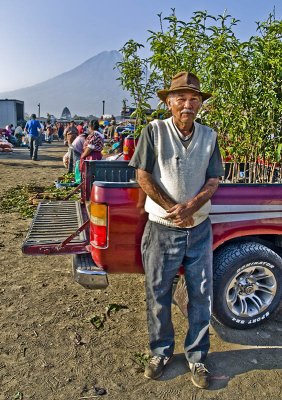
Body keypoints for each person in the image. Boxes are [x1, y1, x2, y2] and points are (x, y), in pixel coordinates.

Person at [129, 71, 224, 389]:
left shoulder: (209, 136)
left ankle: (197, 357)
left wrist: (190, 207)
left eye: (194, 98)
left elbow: (213, 180)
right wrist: (174, 207)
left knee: (201, 294)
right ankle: (160, 352)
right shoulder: (154, 131)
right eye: (180, 98)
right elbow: (142, 174)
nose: (188, 104)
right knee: (158, 292)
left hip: (198, 229)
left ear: (200, 104)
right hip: (161, 229)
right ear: (168, 103)